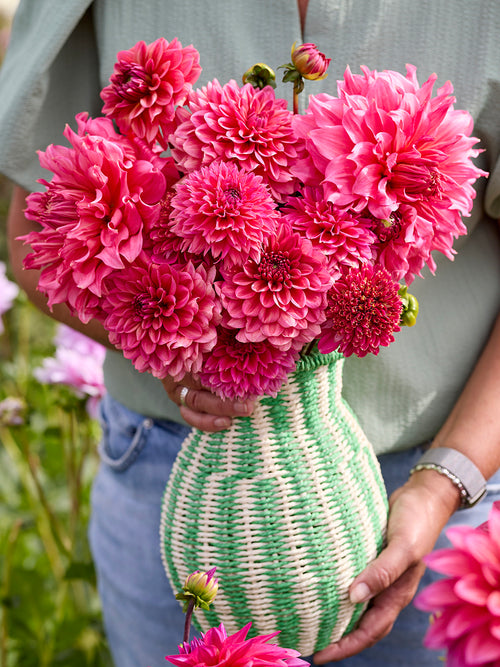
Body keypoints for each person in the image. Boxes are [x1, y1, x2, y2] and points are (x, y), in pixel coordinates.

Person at [1, 1, 500, 665]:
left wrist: (444, 483)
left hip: (431, 491)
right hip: (174, 478)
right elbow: (37, 236)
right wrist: (176, 347)